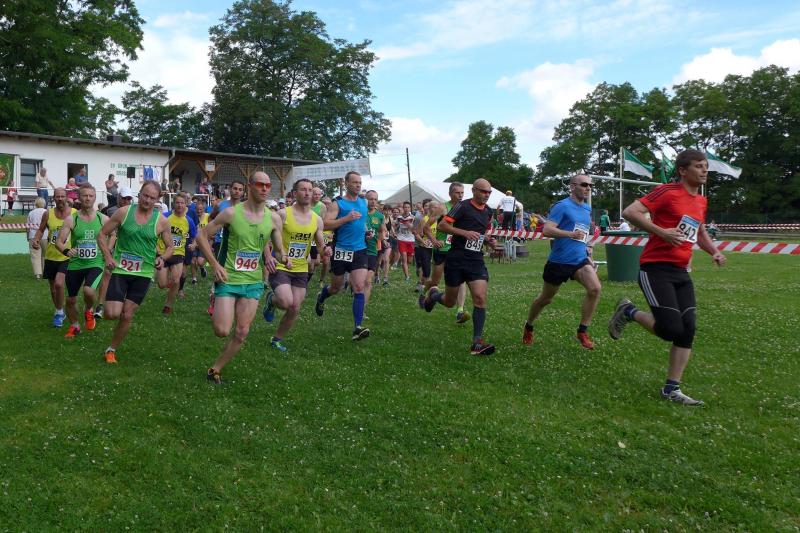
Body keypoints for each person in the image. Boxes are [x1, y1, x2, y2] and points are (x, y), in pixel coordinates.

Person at [608, 149, 726, 406]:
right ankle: (628, 311)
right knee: (671, 329)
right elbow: (630, 212)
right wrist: (661, 232)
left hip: (681, 271)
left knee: (688, 329)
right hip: (655, 269)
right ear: (683, 170)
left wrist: (714, 251)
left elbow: (699, 232)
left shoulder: (701, 201)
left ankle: (671, 389)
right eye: (698, 166)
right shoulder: (667, 192)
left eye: (706, 166)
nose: (705, 170)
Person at [195, 171, 288, 384]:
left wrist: (284, 258)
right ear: (250, 186)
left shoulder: (274, 218)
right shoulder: (230, 213)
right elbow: (201, 236)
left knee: (242, 332)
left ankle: (215, 369)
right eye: (260, 184)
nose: (264, 188)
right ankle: (216, 298)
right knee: (222, 330)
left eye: (267, 185)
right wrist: (215, 264)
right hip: (229, 278)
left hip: (253, 281)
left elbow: (279, 250)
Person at [97, 181, 174, 363]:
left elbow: (170, 247)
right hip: (121, 270)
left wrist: (162, 258)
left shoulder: (161, 221)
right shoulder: (124, 212)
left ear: (157, 199)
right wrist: (108, 256)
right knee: (112, 314)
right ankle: (105, 306)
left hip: (143, 273)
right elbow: (101, 234)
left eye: (152, 198)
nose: (147, 200)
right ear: (139, 194)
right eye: (145, 195)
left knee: (127, 314)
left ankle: (111, 350)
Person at [522, 174, 601, 350]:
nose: (588, 188)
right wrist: (570, 234)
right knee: (545, 299)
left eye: (590, 185)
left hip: (579, 259)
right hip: (559, 262)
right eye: (584, 184)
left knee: (595, 289)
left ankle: (582, 331)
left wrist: (588, 247)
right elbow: (547, 230)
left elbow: (583, 232)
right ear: (572, 186)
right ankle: (529, 325)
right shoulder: (562, 206)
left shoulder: (587, 208)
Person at [423, 178, 497, 355]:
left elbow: (480, 234)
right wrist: (465, 233)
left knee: (480, 297)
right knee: (450, 302)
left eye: (489, 192)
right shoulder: (462, 206)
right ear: (474, 190)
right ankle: (434, 296)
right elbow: (443, 225)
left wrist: (487, 241)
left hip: (475, 260)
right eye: (483, 191)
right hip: (456, 258)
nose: (486, 195)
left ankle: (477, 342)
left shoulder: (488, 211)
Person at [262, 178, 325, 351]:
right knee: (285, 302)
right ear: (295, 193)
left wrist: (325, 251)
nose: (307, 193)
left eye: (310, 190)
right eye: (303, 189)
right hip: (281, 265)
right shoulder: (283, 214)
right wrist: (268, 256)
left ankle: (276, 339)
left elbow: (320, 245)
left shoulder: (317, 220)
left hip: (301, 268)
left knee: (295, 307)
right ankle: (271, 300)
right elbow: (265, 237)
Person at [315, 171, 371, 341]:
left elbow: (361, 222)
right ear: (346, 184)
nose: (358, 185)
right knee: (336, 288)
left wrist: (366, 232)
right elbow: (325, 224)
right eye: (354, 182)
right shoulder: (337, 203)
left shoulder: (363, 202)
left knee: (359, 286)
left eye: (360, 182)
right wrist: (345, 219)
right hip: (341, 250)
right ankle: (322, 296)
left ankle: (357, 328)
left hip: (360, 250)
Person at [55, 184, 110, 338]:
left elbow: (113, 234)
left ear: (95, 198)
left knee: (89, 291)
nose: (87, 198)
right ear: (79, 198)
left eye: (91, 196)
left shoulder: (103, 218)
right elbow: (59, 241)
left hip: (95, 262)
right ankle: (74, 326)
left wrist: (107, 250)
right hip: (76, 264)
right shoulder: (71, 219)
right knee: (70, 299)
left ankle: (89, 310)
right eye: (84, 195)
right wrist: (66, 250)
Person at [422, 182, 470, 323]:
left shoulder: (464, 208)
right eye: (457, 193)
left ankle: (460, 311)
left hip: (457, 249)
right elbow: (426, 227)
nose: (460, 195)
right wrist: (434, 240)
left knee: (462, 280)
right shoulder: (443, 208)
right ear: (450, 194)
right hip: (442, 250)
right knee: (434, 281)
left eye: (462, 193)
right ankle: (425, 293)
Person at [31, 188, 76, 327]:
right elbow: (41, 230)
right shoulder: (48, 213)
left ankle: (60, 312)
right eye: (58, 196)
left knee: (59, 283)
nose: (60, 199)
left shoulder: (75, 213)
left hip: (67, 255)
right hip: (51, 255)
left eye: (62, 196)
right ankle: (59, 311)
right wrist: (36, 240)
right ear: (54, 198)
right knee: (53, 288)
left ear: (66, 197)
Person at [94, 187, 135, 318]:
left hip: (129, 249)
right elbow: (104, 231)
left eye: (129, 198)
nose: (126, 201)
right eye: (124, 198)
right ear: (118, 197)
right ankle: (100, 306)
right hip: (114, 247)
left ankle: (124, 303)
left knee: (128, 275)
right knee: (107, 273)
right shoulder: (110, 210)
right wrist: (108, 249)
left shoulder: (135, 212)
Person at [207, 179, 245, 315]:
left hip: (239, 244)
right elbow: (211, 218)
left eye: (240, 189)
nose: (237, 192)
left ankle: (233, 297)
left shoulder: (245, 208)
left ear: (243, 192)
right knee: (220, 270)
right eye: (235, 188)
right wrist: (212, 232)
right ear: (230, 189)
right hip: (221, 242)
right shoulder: (221, 205)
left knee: (236, 271)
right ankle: (214, 296)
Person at [157, 192, 197, 314]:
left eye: (182, 203)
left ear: (186, 205)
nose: (180, 205)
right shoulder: (165, 217)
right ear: (173, 204)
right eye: (177, 203)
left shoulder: (188, 220)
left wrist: (193, 244)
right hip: (163, 253)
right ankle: (167, 280)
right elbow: (155, 232)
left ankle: (168, 305)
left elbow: (196, 236)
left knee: (176, 280)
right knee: (162, 285)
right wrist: (156, 248)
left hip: (178, 253)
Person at [362, 190, 386, 315]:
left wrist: (381, 239)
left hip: (372, 250)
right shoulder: (360, 212)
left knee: (367, 281)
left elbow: (382, 230)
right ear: (365, 200)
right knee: (357, 281)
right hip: (358, 249)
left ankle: (362, 310)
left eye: (375, 199)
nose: (373, 201)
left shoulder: (380, 216)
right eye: (370, 199)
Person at [27, 197, 48, 279]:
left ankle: (38, 274)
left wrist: (27, 236)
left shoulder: (31, 213)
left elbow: (28, 226)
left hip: (33, 235)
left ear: (35, 204)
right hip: (45, 235)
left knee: (35, 255)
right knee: (46, 255)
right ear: (44, 203)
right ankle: (46, 272)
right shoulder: (47, 212)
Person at [395, 201, 416, 282]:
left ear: (410, 208)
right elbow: (395, 225)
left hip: (411, 240)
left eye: (408, 207)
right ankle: (407, 277)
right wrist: (394, 232)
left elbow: (416, 228)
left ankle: (405, 266)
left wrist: (411, 226)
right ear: (403, 208)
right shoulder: (399, 217)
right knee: (404, 258)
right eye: (405, 207)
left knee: (409, 260)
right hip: (401, 239)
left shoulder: (413, 217)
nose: (406, 209)